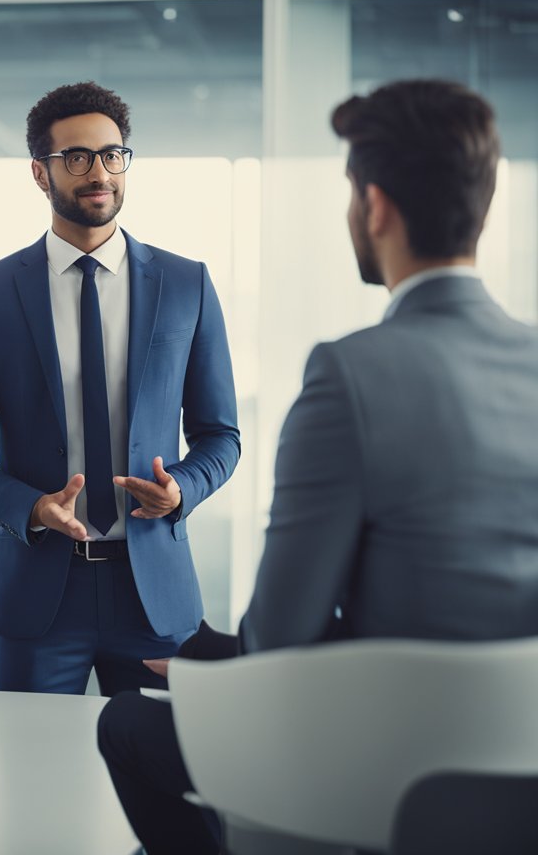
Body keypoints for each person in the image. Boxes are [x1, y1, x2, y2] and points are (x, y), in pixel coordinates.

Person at [97, 79, 538, 854]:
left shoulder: (350, 374)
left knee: (126, 723)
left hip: (382, 767)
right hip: (521, 770)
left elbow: (280, 643)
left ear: (374, 207)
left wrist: (200, 657)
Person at [0, 80, 240, 695]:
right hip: (36, 596)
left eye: (111, 154)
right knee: (33, 781)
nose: (98, 171)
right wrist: (31, 508)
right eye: (76, 157)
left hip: (154, 593)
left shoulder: (187, 285)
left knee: (160, 782)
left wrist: (180, 489)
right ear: (39, 173)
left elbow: (221, 436)